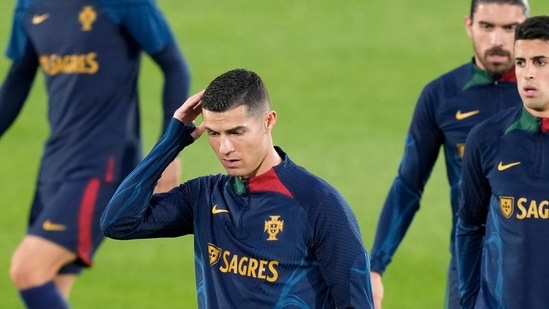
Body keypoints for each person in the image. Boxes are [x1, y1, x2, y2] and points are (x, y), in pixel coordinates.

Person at [100, 68, 374, 308]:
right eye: (214, 134)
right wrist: (172, 141)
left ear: (268, 121)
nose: (225, 148)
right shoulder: (204, 197)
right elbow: (118, 223)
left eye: (236, 132)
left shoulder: (318, 204)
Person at [0, 0, 190, 308]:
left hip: (104, 165)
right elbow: (18, 78)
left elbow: (174, 66)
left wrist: (167, 151)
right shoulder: (28, 7)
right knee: (52, 287)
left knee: (29, 270)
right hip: (55, 165)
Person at [369, 0, 529, 308]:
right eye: (487, 26)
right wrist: (375, 266)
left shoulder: (542, 97)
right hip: (469, 265)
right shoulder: (442, 96)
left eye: (510, 28)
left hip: (533, 264)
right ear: (469, 25)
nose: (497, 40)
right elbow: (409, 184)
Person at [456, 15, 549, 308]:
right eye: (521, 62)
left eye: (540, 62)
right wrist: (469, 300)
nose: (527, 74)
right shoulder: (486, 139)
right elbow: (470, 226)